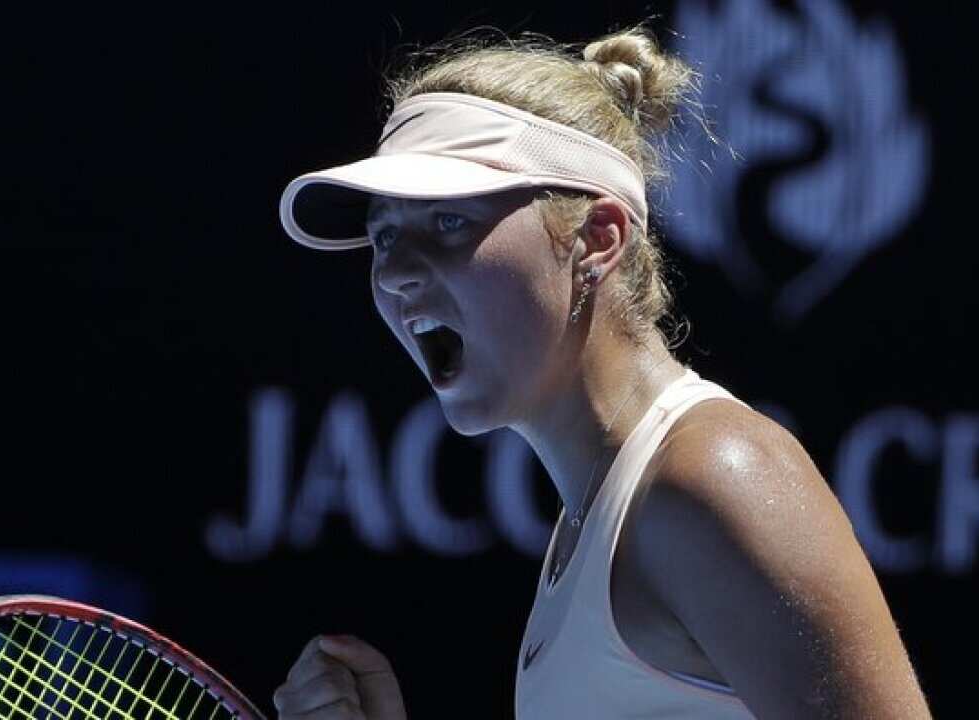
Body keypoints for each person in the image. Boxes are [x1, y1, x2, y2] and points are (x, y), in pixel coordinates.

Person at [272, 21, 933, 720]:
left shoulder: (714, 476)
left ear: (597, 239)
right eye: (385, 235)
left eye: (447, 223)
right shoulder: (591, 524)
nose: (397, 272)